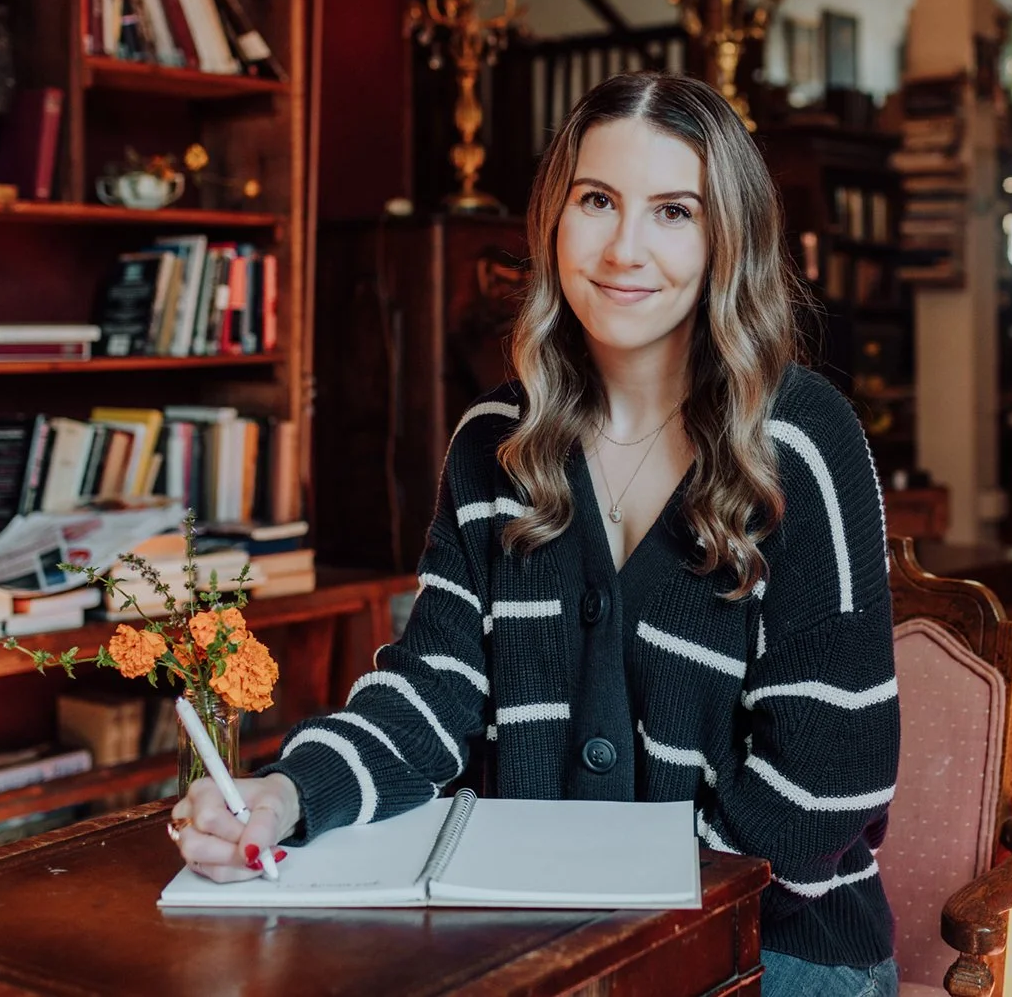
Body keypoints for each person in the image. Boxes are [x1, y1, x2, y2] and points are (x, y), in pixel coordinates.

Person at [174, 72, 901, 996]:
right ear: (554, 219)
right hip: (546, 941)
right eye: (597, 201)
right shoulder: (493, 442)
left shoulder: (799, 441)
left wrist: (623, 895)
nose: (625, 248)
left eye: (674, 211)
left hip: (770, 946)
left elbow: (829, 780)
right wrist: (287, 795)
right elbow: (433, 687)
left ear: (729, 237)